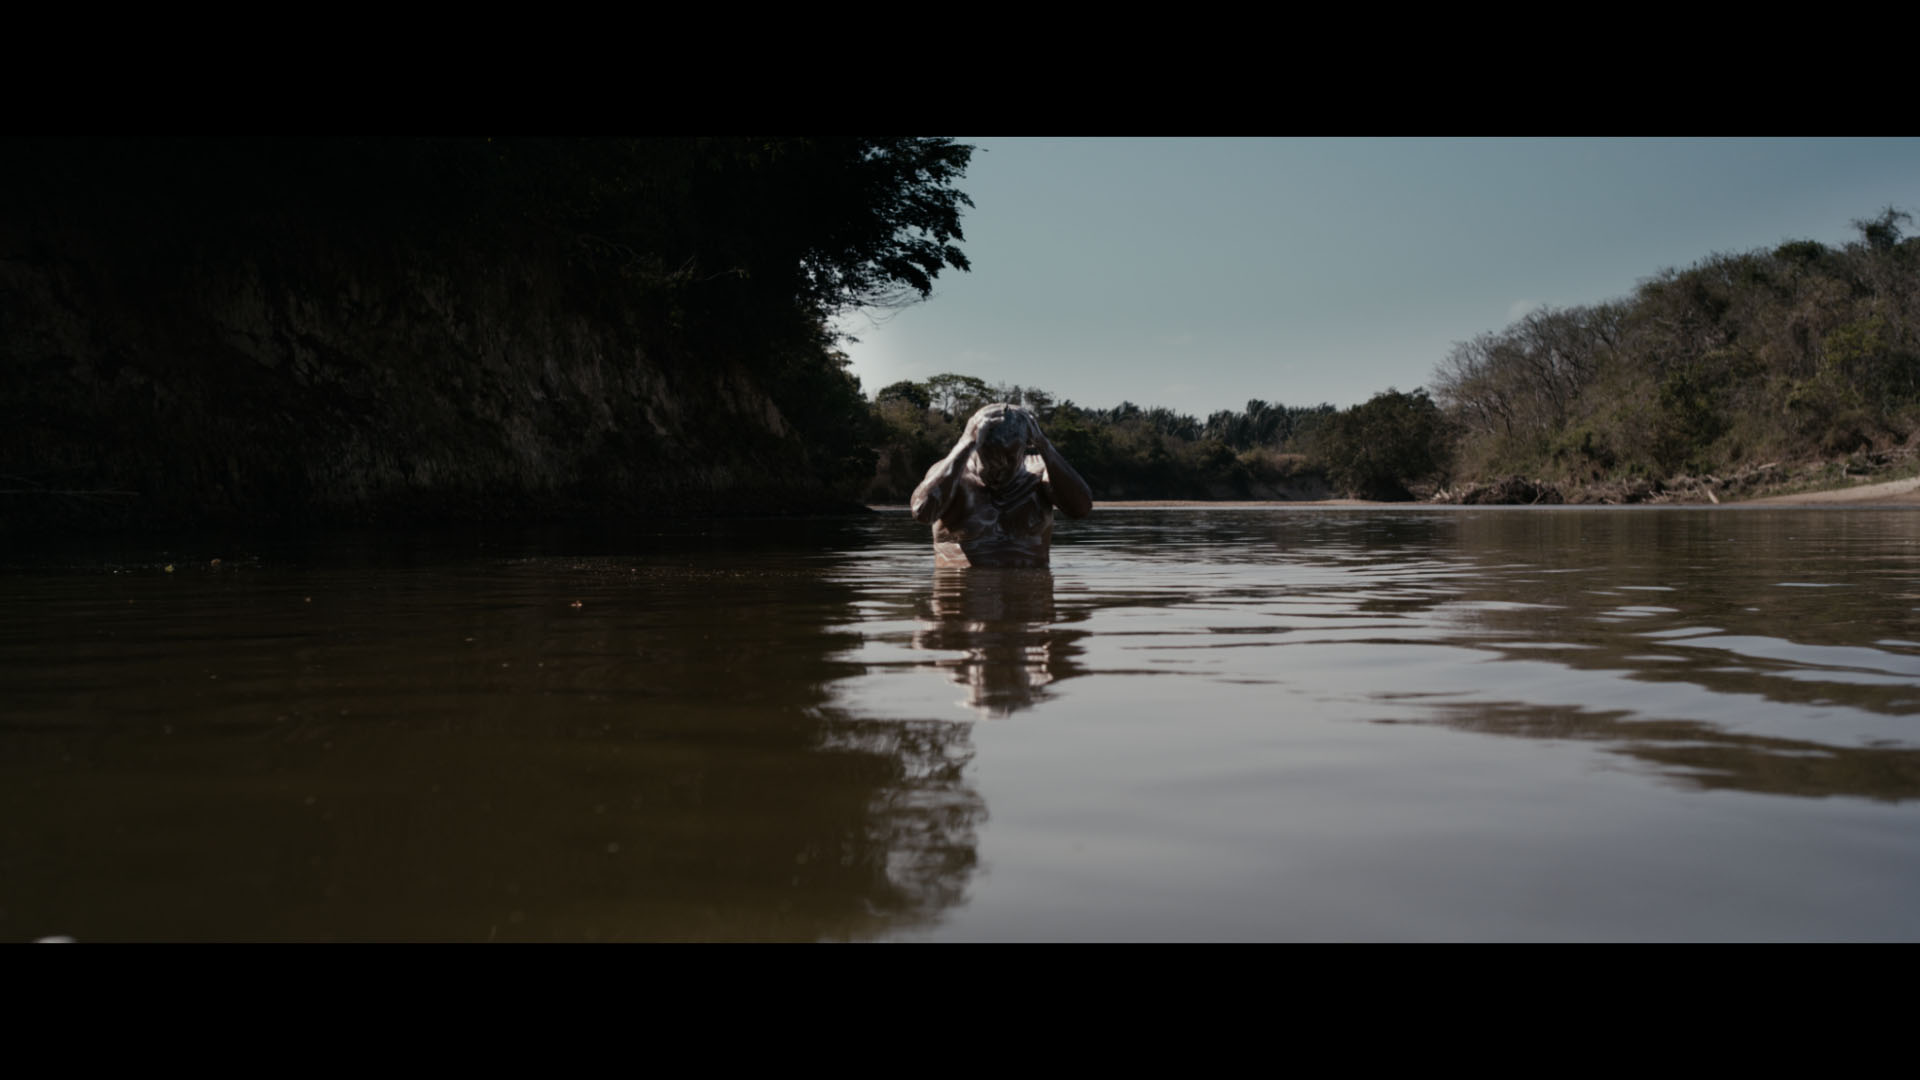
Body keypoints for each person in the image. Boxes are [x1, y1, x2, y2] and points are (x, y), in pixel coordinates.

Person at [909, 403, 1092, 568]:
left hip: (1028, 597)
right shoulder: (952, 476)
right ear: (976, 446)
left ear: (1026, 446)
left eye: (1010, 459)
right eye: (990, 458)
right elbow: (922, 512)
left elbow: (1081, 509)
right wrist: (965, 442)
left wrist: (1043, 444)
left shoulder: (1040, 473)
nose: (1000, 470)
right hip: (961, 597)